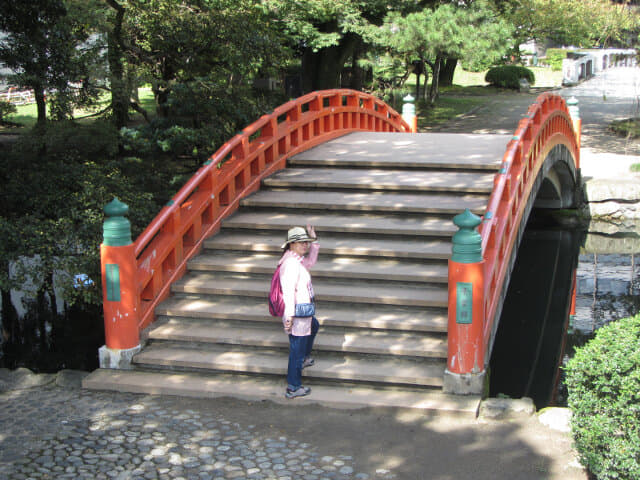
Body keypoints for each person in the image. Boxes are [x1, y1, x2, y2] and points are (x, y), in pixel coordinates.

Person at [279, 225, 320, 399]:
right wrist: (288, 316)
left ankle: (303, 358)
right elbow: (288, 292)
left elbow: (310, 262)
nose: (305, 245)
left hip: (304, 311)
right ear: (291, 244)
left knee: (315, 326)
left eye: (307, 242)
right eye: (302, 242)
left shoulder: (297, 260)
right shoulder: (291, 265)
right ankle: (293, 387)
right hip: (298, 313)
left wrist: (315, 241)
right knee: (296, 350)